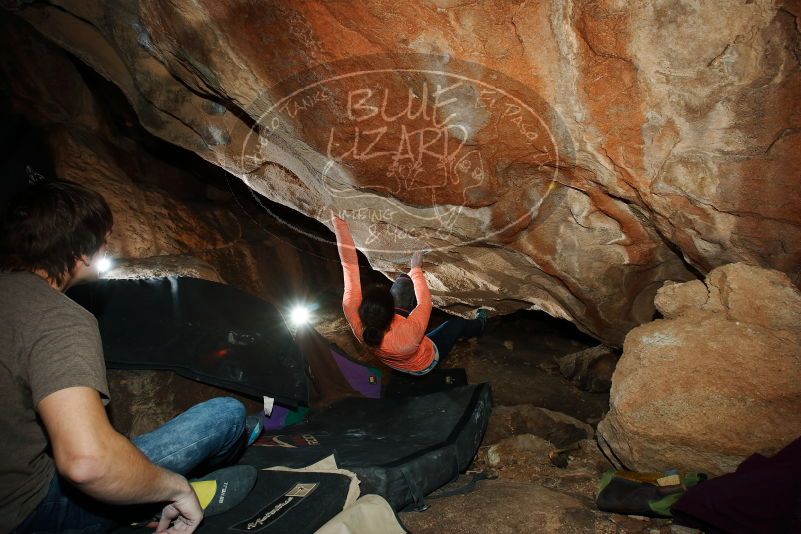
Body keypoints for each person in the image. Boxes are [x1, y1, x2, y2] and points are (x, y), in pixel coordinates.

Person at [0, 180, 258, 534]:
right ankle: (179, 494)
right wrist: (174, 487)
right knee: (225, 415)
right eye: (104, 238)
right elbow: (86, 462)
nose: (108, 246)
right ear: (84, 250)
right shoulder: (56, 317)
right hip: (29, 513)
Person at [332, 214, 487, 375]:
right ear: (392, 314)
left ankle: (408, 278)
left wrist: (339, 224)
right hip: (424, 361)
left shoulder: (353, 311)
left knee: (403, 283)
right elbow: (424, 303)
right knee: (456, 324)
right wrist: (416, 270)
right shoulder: (408, 336)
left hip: (396, 346)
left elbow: (349, 266)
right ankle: (480, 324)